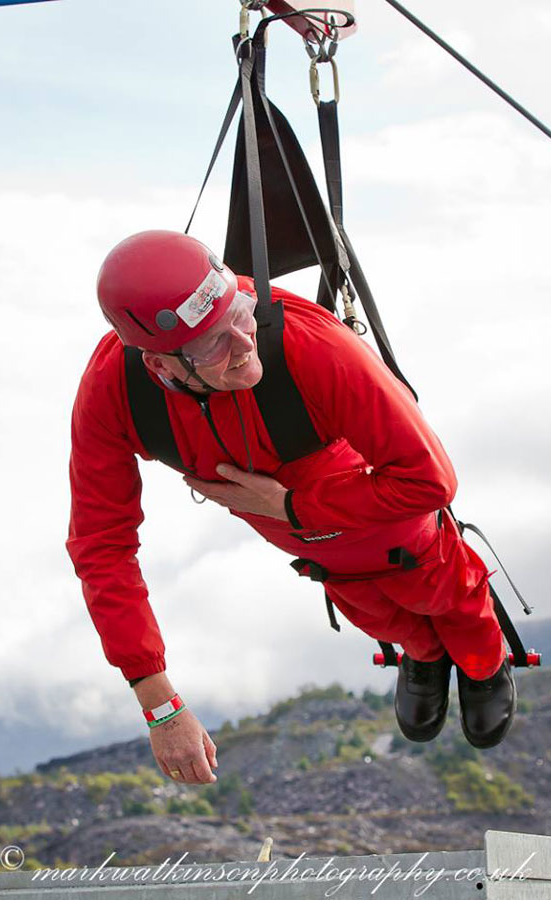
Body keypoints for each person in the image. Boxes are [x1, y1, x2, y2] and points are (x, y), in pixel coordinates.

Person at [67, 229, 516, 785]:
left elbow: (431, 481)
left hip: (399, 530)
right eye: (212, 344)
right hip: (326, 563)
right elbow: (101, 546)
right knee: (379, 614)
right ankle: (423, 654)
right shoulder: (116, 395)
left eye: (241, 311)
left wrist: (292, 506)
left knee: (450, 598)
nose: (245, 342)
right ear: (160, 367)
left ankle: (483, 663)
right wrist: (157, 698)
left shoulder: (312, 346)